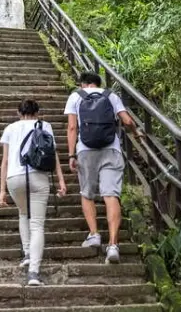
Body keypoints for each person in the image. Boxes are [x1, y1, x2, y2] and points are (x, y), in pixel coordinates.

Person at [65, 72, 144, 264]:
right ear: (98, 83)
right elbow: (127, 121)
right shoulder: (111, 95)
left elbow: (72, 128)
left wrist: (71, 155)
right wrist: (136, 134)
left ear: (83, 84)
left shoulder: (76, 96)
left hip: (86, 150)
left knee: (87, 193)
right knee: (111, 195)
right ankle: (113, 245)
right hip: (111, 149)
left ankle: (94, 234)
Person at [0, 99, 67, 286]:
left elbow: (4, 161)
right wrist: (61, 179)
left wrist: (2, 190)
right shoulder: (45, 126)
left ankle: (27, 253)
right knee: (37, 224)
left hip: (14, 178)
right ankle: (33, 274)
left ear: (18, 112)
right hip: (38, 177)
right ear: (37, 112)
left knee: (23, 213)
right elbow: (53, 156)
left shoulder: (10, 129)